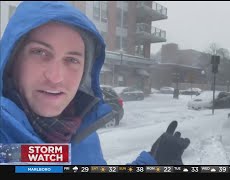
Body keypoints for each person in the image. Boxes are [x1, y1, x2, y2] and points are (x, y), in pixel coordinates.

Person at [0, 1, 190, 165]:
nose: (56, 76)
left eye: (72, 60)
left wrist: (152, 162)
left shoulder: (81, 134)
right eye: (40, 52)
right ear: (12, 60)